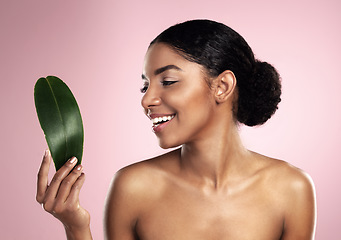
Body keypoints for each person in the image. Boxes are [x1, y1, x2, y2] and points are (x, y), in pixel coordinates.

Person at [36, 19, 316, 240]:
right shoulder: (133, 187)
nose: (146, 99)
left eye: (167, 81)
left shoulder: (291, 189)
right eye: (145, 85)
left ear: (222, 87)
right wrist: (76, 226)